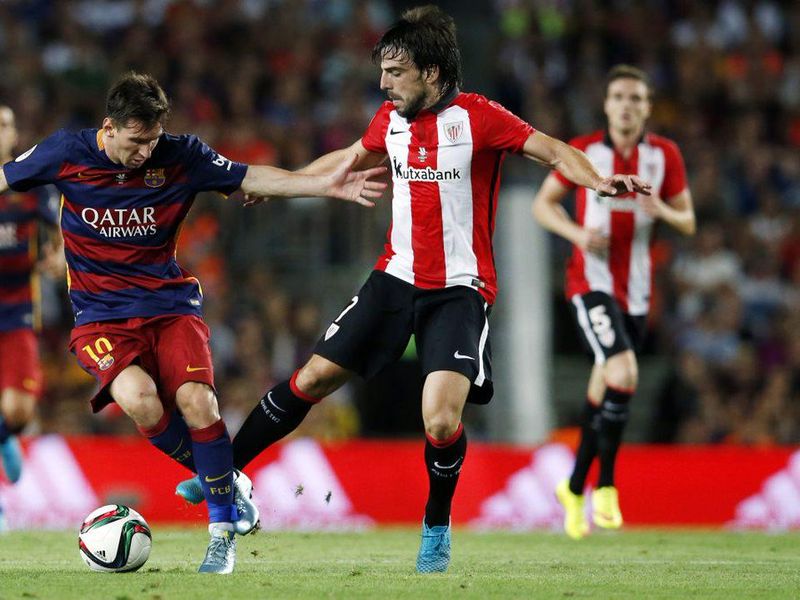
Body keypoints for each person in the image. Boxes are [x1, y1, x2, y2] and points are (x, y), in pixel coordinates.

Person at [176, 6, 650, 572]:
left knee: (441, 421)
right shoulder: (390, 119)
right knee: (312, 378)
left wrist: (598, 180)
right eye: (383, 71)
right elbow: (349, 159)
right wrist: (286, 185)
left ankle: (436, 528)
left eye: (395, 72)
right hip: (395, 277)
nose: (383, 83)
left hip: (459, 289)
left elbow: (553, 150)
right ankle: (222, 473)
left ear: (430, 72)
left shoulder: (479, 118)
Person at [0, 72, 386, 572]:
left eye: (152, 141)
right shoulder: (65, 152)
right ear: (109, 128)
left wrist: (322, 185)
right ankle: (225, 480)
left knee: (198, 402)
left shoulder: (181, 155)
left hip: (170, 307)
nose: (145, 153)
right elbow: (5, 177)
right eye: (136, 142)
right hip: (100, 316)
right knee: (140, 402)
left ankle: (221, 534)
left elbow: (250, 177)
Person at [532, 64, 696, 540]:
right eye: (619, 97)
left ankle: (573, 488)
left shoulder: (664, 155)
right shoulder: (584, 151)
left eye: (636, 98)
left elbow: (687, 221)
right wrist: (577, 234)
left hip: (638, 291)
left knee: (603, 386)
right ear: (606, 105)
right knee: (623, 373)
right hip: (591, 282)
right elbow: (543, 205)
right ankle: (605, 484)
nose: (627, 105)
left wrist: (661, 210)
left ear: (647, 108)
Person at [0, 106, 63, 531]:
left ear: (14, 134)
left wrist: (57, 257)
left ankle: (6, 434)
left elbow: (60, 235)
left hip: (17, 306)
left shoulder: (31, 184)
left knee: (20, 411)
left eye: (4, 125)